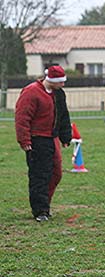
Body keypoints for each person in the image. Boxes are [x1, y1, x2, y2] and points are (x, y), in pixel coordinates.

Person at [15, 65, 72, 222]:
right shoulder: (31, 92)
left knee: (56, 174)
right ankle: (40, 211)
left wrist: (65, 136)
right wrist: (24, 140)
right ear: (52, 80)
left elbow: (63, 114)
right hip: (36, 139)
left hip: (52, 138)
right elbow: (22, 117)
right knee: (40, 176)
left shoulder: (58, 94)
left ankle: (45, 204)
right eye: (61, 82)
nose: (63, 85)